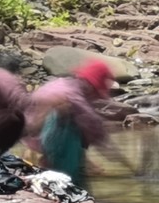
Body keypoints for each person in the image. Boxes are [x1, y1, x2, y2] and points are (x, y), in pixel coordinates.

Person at [27, 59, 130, 188]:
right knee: (72, 186)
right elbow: (101, 140)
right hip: (55, 139)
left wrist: (87, 162)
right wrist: (128, 165)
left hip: (37, 134)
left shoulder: (62, 84)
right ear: (92, 87)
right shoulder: (78, 105)